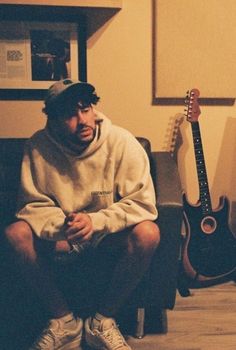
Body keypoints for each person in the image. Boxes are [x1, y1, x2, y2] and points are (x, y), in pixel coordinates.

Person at [4, 79, 160, 350]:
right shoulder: (37, 147)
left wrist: (96, 222)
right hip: (61, 235)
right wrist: (60, 228)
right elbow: (30, 204)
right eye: (69, 114)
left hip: (107, 234)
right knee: (15, 234)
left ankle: (102, 322)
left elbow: (143, 203)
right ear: (52, 119)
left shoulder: (122, 142)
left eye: (85, 109)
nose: (82, 120)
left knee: (149, 233)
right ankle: (64, 323)